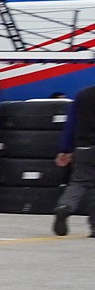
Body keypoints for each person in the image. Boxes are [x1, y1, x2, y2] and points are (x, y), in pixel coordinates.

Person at [55, 79, 95, 237]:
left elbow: (71, 124)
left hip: (83, 147)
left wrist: (65, 149)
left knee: (79, 182)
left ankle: (65, 206)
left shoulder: (83, 94)